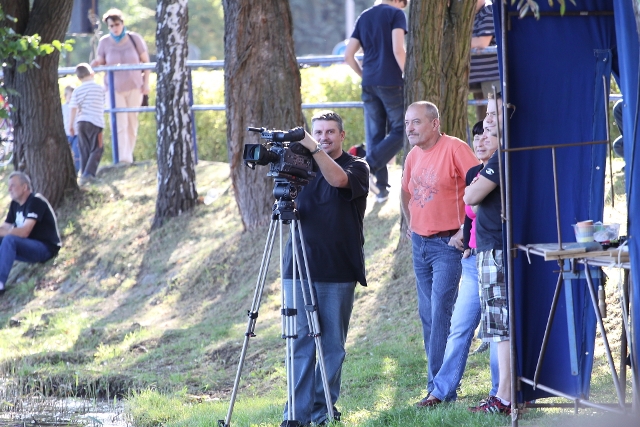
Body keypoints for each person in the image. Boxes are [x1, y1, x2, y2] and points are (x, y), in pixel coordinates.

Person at [281, 111, 369, 426]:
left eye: (330, 132)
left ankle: (322, 411)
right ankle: (296, 415)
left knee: (331, 346)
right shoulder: (299, 168)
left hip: (338, 270)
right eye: (318, 132)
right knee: (300, 343)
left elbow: (338, 180)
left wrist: (313, 148)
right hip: (298, 268)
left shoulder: (357, 166)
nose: (323, 137)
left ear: (342, 135)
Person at [400, 101, 479, 406]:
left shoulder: (455, 148)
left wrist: (465, 229)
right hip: (419, 243)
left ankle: (439, 391)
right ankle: (437, 385)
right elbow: (405, 191)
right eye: (407, 123)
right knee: (427, 315)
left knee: (439, 312)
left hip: (448, 245)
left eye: (416, 122)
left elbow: (481, 184)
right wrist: (410, 223)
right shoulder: (412, 155)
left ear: (434, 123)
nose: (410, 128)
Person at [417, 121, 500, 407]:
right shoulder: (475, 173)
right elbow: (470, 214)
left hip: (496, 257)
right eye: (477, 137)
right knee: (460, 327)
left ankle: (499, 393)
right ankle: (440, 391)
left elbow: (479, 206)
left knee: (496, 331)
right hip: (473, 260)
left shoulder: (501, 173)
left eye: (487, 136)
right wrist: (466, 240)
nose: (480, 142)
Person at [464, 94, 512, 415]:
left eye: (495, 114)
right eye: (487, 113)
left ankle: (504, 397)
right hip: (490, 248)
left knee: (500, 328)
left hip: (496, 249)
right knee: (498, 327)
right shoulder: (501, 155)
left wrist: (475, 186)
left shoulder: (502, 156)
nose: (488, 120)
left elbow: (471, 195)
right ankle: (505, 395)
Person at [344, 0, 407, 203]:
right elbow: (398, 49)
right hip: (391, 81)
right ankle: (367, 165)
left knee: (375, 135)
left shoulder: (364, 16)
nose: (402, 8)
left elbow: (348, 55)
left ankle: (381, 190)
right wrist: (408, 74)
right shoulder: (396, 14)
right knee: (403, 129)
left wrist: (365, 75)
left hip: (369, 82)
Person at [90, 8, 150, 164]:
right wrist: (95, 63)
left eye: (117, 24)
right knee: (119, 123)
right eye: (111, 26)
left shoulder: (134, 39)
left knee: (132, 122)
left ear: (122, 23)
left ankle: (128, 155)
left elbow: (146, 62)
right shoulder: (104, 42)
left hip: (134, 86)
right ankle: (123, 158)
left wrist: (146, 83)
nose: (115, 28)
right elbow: (101, 60)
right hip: (114, 88)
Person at [0, 172, 62, 295]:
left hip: (46, 248)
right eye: (8, 186)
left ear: (24, 187)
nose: (9, 189)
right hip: (28, 246)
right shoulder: (15, 205)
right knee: (5, 239)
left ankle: (0, 283)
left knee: (9, 239)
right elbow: (4, 228)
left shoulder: (36, 201)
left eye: (13, 185)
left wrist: (6, 232)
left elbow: (25, 232)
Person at [69, 63, 105, 185]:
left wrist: (71, 125)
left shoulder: (77, 91)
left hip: (81, 122)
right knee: (98, 148)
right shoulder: (99, 88)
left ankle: (83, 173)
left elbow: (73, 108)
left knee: (84, 149)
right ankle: (88, 174)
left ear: (79, 78)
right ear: (92, 74)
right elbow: (103, 103)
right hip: (95, 122)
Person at [469, 0, 500, 122]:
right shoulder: (470, 16)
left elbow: (482, 42)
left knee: (494, 113)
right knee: (482, 117)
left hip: (490, 76)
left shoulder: (488, 10)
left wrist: (456, 42)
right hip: (475, 76)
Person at [62, 85, 81, 174]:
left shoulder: (79, 108)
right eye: (70, 97)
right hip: (66, 134)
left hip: (77, 134)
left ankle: (75, 172)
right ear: (65, 96)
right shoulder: (62, 108)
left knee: (76, 153)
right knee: (65, 154)